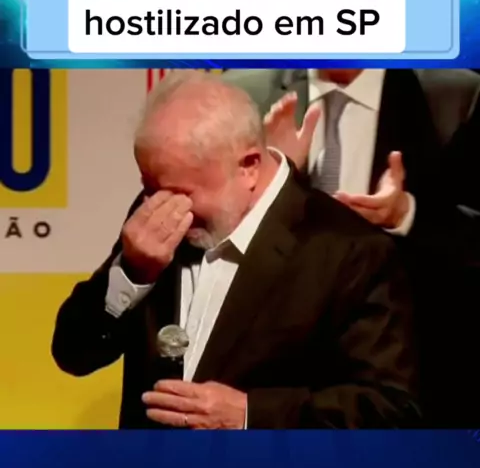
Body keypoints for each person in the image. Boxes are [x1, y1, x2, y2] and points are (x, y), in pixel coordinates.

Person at [51, 71, 419, 429]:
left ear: (248, 167)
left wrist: (250, 415)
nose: (163, 207)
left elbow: (389, 409)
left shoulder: (350, 252)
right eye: (149, 189)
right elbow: (74, 354)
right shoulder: (154, 213)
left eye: (181, 193)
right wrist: (132, 274)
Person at [220, 67, 480, 426]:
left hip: (410, 386)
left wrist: (406, 213)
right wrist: (270, 181)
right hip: (263, 391)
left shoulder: (456, 97)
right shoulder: (240, 92)